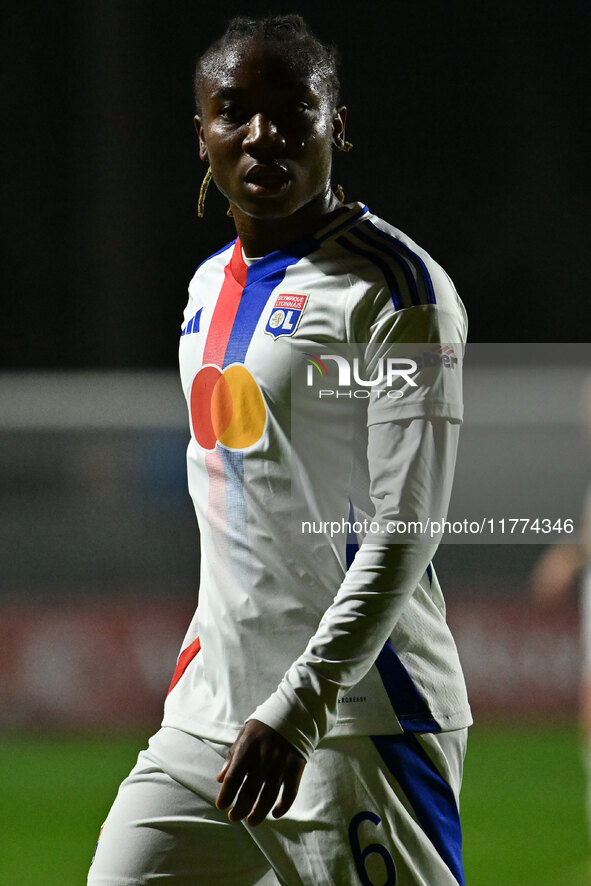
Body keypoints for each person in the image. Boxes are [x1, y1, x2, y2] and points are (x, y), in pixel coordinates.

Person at [88, 14, 472, 886]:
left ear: (335, 124)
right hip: (210, 717)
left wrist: (299, 708)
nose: (263, 133)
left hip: (352, 718)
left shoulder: (398, 290)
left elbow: (404, 529)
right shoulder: (203, 287)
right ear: (201, 135)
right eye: (234, 110)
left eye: (291, 110)